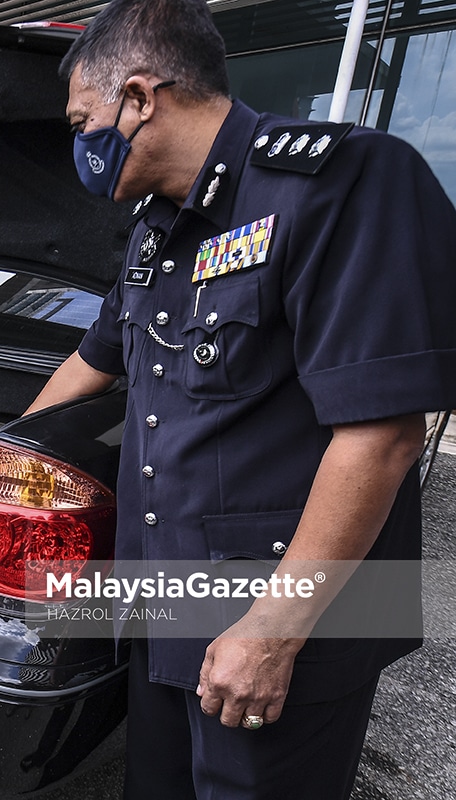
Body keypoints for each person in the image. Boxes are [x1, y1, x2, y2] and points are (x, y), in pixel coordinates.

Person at [24, 0, 456, 796]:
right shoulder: (159, 227)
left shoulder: (341, 182)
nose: (78, 143)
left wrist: (272, 632)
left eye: (84, 120)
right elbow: (93, 361)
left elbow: (384, 435)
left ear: (142, 97)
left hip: (283, 618)